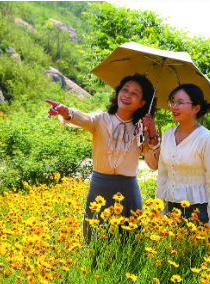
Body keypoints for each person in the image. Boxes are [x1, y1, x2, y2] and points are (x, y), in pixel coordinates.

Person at [46, 74, 160, 241]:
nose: (127, 95)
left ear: (143, 103)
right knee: (96, 242)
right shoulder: (101, 119)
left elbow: (154, 164)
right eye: (125, 90)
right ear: (118, 92)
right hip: (100, 188)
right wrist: (65, 111)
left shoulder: (141, 129)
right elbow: (83, 118)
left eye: (135, 93)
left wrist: (153, 132)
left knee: (128, 243)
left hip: (128, 192)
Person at [152, 84, 210, 227]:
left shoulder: (207, 140)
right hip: (171, 211)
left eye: (180, 103)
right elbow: (163, 176)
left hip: (198, 213)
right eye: (172, 102)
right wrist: (159, 210)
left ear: (196, 108)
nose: (174, 107)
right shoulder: (168, 135)